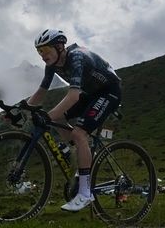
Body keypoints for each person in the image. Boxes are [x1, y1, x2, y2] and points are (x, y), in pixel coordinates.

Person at [25, 28, 122, 212]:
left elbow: (73, 96)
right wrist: (20, 108)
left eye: (45, 50)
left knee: (79, 133)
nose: (42, 55)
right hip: (91, 93)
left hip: (109, 91)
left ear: (60, 46)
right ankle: (78, 150)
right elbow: (41, 93)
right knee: (60, 117)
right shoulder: (52, 65)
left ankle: (85, 194)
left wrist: (46, 116)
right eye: (39, 51)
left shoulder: (76, 57)